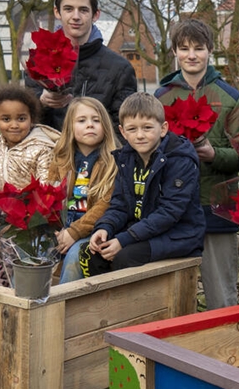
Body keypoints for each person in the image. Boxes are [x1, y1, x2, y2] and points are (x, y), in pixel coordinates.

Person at [155, 19, 239, 310]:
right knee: (174, 296)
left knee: (221, 295)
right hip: (172, 207)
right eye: (184, 48)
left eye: (198, 48)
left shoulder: (230, 97)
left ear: (210, 51)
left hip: (215, 205)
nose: (191, 55)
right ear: (175, 52)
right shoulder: (161, 97)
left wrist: (213, 154)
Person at [85, 92, 204, 276]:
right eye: (132, 129)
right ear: (123, 132)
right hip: (143, 230)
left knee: (124, 257)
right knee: (94, 252)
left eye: (147, 128)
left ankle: (133, 304)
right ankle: (103, 304)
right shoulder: (126, 158)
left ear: (163, 129)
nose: (140, 135)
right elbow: (120, 204)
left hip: (179, 234)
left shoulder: (180, 160)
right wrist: (104, 227)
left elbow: (169, 212)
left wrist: (124, 239)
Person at [0, 85, 59, 286]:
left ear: (31, 118)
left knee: (8, 243)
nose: (14, 125)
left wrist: (10, 222)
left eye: (21, 118)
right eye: (6, 119)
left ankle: (1, 289)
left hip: (30, 225)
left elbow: (44, 193)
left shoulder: (42, 149)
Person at [26, 0, 137, 133]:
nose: (76, 16)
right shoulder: (37, 63)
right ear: (57, 12)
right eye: (68, 9)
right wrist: (41, 101)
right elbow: (25, 120)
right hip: (51, 153)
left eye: (83, 10)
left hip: (100, 155)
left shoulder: (120, 69)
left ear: (95, 14)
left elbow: (124, 127)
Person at [47, 96, 117, 283]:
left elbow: (105, 205)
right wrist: (55, 230)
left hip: (91, 232)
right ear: (70, 127)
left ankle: (63, 307)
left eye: (96, 120)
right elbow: (49, 196)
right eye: (82, 120)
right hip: (61, 228)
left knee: (74, 258)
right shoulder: (60, 159)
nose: (90, 125)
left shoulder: (113, 162)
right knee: (31, 254)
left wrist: (74, 232)